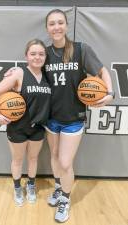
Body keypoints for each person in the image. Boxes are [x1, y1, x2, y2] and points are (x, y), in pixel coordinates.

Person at [44, 9, 114, 223]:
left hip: (73, 117)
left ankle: (65, 199)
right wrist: (12, 75)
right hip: (51, 117)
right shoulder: (44, 53)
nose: (56, 27)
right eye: (52, 24)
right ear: (47, 28)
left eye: (60, 23)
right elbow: (29, 74)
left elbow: (102, 72)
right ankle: (58, 187)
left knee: (65, 162)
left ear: (66, 25)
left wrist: (109, 93)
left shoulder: (81, 50)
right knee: (54, 156)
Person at [0, 39, 51, 206]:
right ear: (26, 56)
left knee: (33, 159)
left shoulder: (49, 75)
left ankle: (31, 185)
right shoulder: (19, 73)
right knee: (17, 160)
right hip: (18, 126)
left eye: (41, 54)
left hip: (38, 126)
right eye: (33, 54)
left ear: (45, 56)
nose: (37, 57)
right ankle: (17, 188)